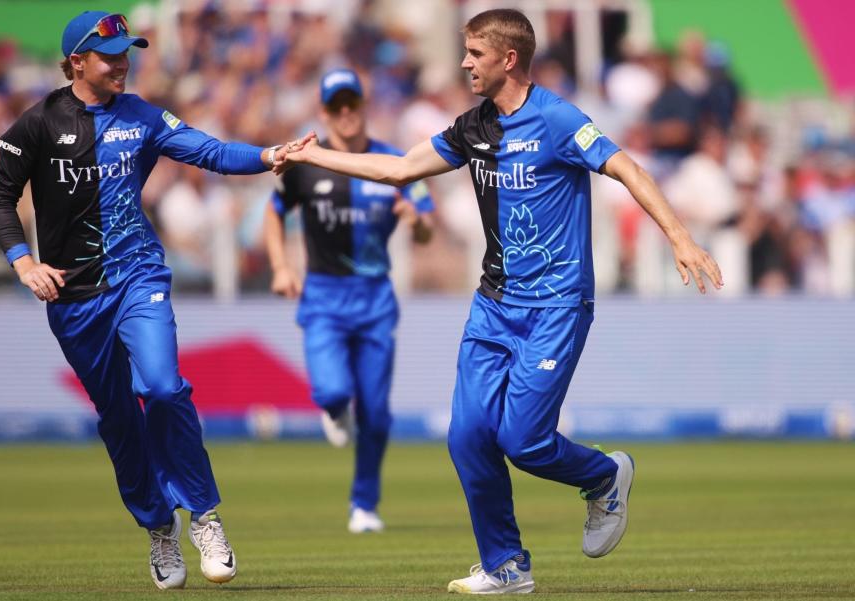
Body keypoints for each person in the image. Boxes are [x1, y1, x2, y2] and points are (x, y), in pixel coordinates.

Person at [277, 8, 723, 595]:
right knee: (466, 438)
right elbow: (401, 169)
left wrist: (680, 236)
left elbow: (626, 167)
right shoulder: (474, 126)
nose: (463, 63)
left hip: (556, 305)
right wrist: (313, 156)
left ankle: (605, 476)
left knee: (523, 441)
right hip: (493, 305)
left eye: (474, 54)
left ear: (507, 59)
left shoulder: (560, 119)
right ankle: (506, 565)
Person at [0, 11, 306, 590]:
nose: (122, 63)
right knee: (118, 421)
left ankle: (204, 515)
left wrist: (267, 155)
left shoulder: (144, 115)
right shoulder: (37, 124)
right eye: (109, 55)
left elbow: (208, 151)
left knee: (161, 387)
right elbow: (1, 197)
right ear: (76, 62)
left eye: (126, 53)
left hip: (139, 277)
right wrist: (24, 263)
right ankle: (159, 527)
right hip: (74, 298)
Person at [263, 68, 434, 533]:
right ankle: (335, 408)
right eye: (335, 106)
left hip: (376, 298)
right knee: (334, 391)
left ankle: (364, 504)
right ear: (324, 112)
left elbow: (426, 229)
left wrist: (413, 219)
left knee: (376, 413)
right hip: (323, 295)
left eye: (351, 104)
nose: (345, 114)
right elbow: (273, 214)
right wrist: (281, 266)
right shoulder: (308, 163)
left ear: (363, 106)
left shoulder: (396, 162)